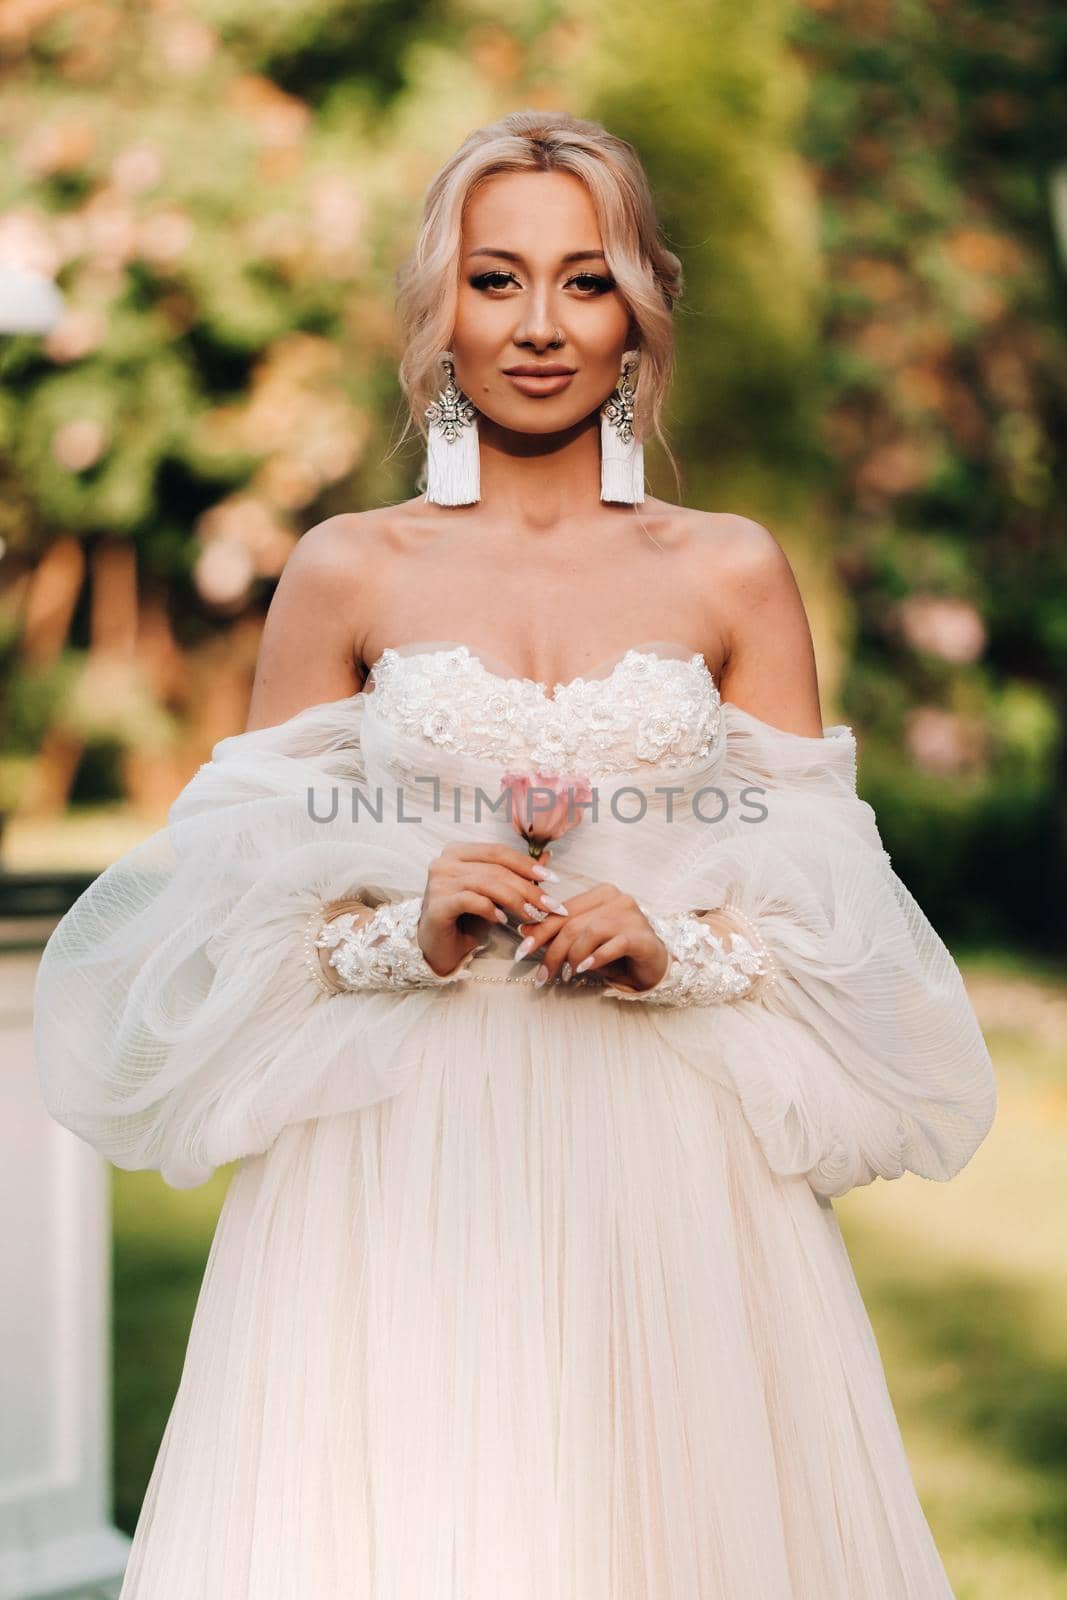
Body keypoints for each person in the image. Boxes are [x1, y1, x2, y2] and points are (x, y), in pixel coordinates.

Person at [33, 109, 997, 1598]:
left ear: (641, 312)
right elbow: (228, 905)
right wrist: (391, 928)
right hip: (397, 1158)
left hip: (669, 1165)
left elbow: (831, 916)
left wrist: (676, 947)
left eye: (585, 278)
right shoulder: (351, 566)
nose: (540, 326)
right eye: (496, 280)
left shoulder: (731, 569)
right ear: (437, 312)